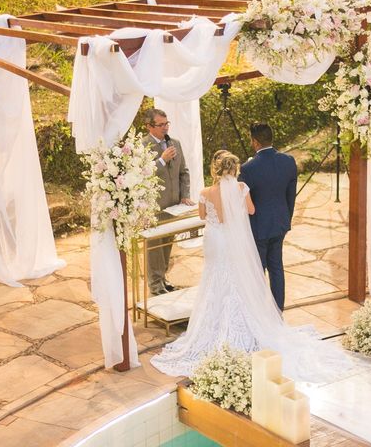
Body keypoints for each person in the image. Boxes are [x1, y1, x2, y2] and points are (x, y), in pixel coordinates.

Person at [150, 151, 351, 382]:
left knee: (214, 277)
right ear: (234, 169)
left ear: (215, 169)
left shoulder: (205, 192)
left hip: (215, 240)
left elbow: (204, 217)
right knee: (238, 277)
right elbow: (252, 210)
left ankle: (212, 325)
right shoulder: (241, 188)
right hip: (234, 240)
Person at [239, 123, 297, 311]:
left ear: (255, 142)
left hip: (259, 227)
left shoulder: (248, 168)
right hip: (280, 222)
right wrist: (286, 220)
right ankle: (277, 311)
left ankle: (258, 313)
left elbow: (244, 202)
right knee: (276, 268)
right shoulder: (288, 161)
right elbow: (291, 196)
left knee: (258, 270)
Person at [141, 108, 194, 295]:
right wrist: (162, 160)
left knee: (167, 244)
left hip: (174, 204)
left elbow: (184, 172)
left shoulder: (175, 143)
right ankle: (155, 285)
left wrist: (185, 195)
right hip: (154, 206)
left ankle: (162, 279)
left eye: (166, 123)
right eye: (161, 125)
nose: (165, 128)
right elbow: (141, 175)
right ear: (149, 126)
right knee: (155, 246)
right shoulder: (143, 147)